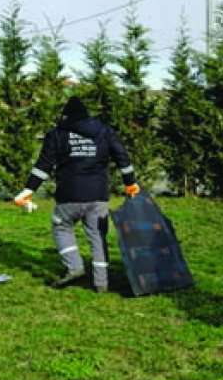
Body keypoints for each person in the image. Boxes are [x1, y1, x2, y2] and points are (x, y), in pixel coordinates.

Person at [13, 96, 140, 292]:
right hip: (98, 195)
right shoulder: (104, 131)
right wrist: (130, 183)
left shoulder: (57, 134)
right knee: (98, 236)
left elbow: (43, 166)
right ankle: (101, 283)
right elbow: (122, 157)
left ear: (65, 116)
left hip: (68, 195)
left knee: (61, 226)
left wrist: (28, 190)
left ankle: (74, 267)